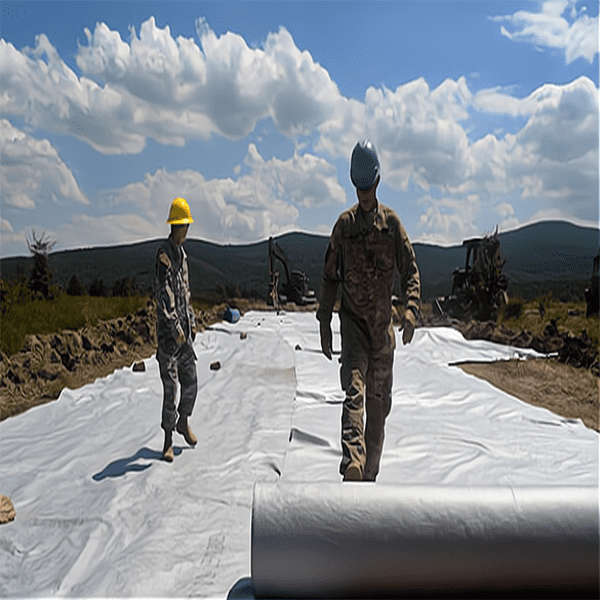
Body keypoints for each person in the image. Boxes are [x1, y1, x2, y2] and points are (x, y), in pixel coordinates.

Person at [316, 140, 421, 482]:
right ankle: (353, 463)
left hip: (382, 334)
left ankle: (369, 472)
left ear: (377, 183)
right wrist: (324, 321)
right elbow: (329, 276)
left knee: (379, 407)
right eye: (358, 188)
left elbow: (411, 270)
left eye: (368, 187)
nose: (363, 194)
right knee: (354, 392)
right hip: (354, 328)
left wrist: (411, 310)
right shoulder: (344, 227)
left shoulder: (391, 225)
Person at [155, 197, 198, 462]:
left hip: (185, 333)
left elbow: (186, 292)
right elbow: (165, 293)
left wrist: (191, 322)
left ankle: (184, 422)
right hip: (169, 336)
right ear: (176, 226)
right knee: (170, 388)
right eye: (184, 226)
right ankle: (168, 439)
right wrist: (174, 325)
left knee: (191, 380)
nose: (187, 231)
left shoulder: (183, 257)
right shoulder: (164, 256)